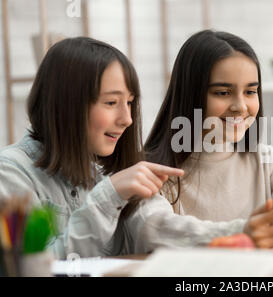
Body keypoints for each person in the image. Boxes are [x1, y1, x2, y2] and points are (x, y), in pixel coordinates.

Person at [121, 30, 273, 253]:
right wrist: (241, 234)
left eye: (250, 91)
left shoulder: (267, 162)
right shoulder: (150, 170)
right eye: (223, 92)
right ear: (191, 95)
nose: (241, 106)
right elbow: (152, 229)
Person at [0, 37, 184, 259]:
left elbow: (162, 227)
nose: (127, 119)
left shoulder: (107, 172)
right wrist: (109, 196)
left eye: (129, 102)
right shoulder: (10, 173)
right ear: (66, 105)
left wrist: (231, 232)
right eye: (111, 103)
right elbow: (34, 265)